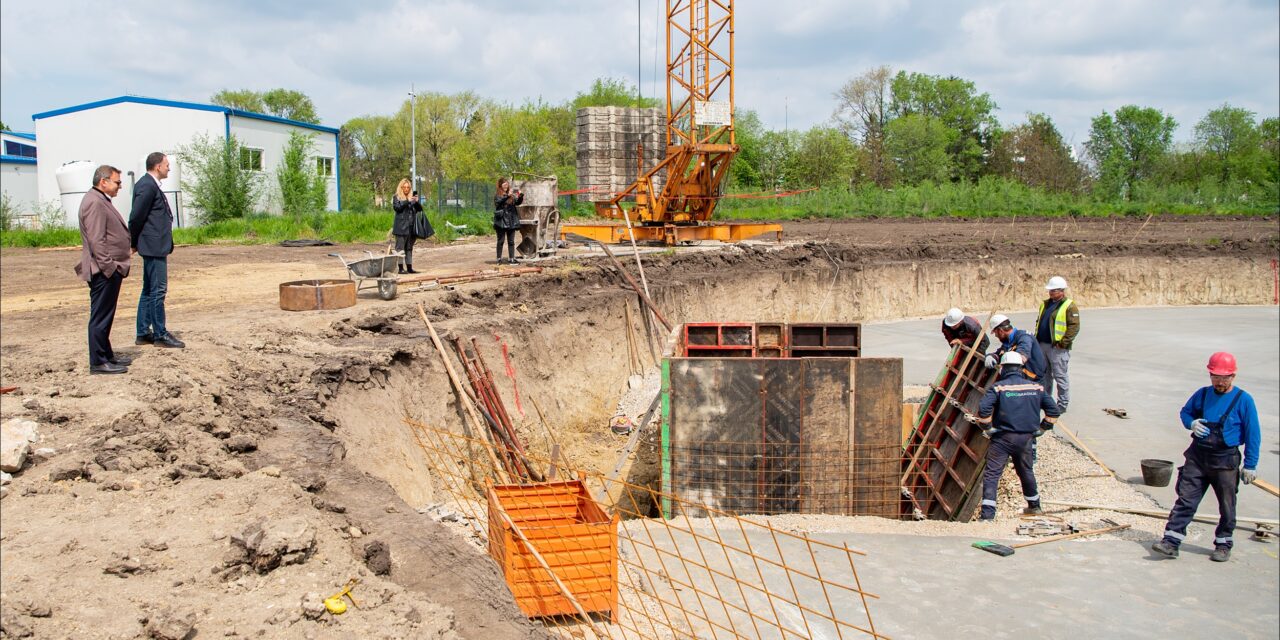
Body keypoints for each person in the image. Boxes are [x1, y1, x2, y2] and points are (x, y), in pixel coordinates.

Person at [1152, 352, 1262, 562]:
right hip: (1198, 457)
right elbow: (1185, 412)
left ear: (1233, 376)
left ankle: (1223, 543)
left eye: (1224, 377)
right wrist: (1191, 423)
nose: (1220, 382)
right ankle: (1171, 542)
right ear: (1210, 374)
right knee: (1186, 500)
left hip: (1226, 460)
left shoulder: (1243, 400)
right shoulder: (1202, 395)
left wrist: (1250, 464)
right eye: (1215, 377)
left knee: (1227, 504)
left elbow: (1253, 434)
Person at [975, 351, 1061, 520]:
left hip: (1002, 438)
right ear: (1021, 368)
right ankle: (1034, 506)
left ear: (1003, 368)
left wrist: (987, 427)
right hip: (1026, 438)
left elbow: (983, 409)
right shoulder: (1036, 387)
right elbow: (1054, 411)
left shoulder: (998, 388)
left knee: (992, 474)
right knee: (1026, 471)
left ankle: (987, 516)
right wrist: (1043, 428)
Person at [75, 165, 132, 374]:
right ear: (103, 181)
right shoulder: (94, 203)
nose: (120, 186)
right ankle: (98, 361)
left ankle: (106, 355)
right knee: (100, 316)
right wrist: (110, 268)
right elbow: (97, 240)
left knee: (105, 315)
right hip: (104, 270)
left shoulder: (99, 200)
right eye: (117, 182)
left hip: (108, 269)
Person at [129, 151, 184, 349]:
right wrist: (133, 242)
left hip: (155, 245)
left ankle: (143, 332)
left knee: (149, 289)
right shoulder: (146, 185)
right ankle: (160, 333)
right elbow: (136, 217)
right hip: (153, 247)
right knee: (158, 290)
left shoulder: (150, 185)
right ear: (157, 166)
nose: (169, 168)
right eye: (166, 164)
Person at [1034, 276, 1080, 413]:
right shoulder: (1045, 304)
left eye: (1053, 291)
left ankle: (1062, 404)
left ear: (1061, 291)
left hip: (1057, 348)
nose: (1050, 293)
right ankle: (1046, 400)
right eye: (1050, 290)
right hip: (1042, 345)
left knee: (1060, 376)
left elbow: (1074, 327)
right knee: (1045, 375)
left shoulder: (1069, 306)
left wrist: (1063, 343)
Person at [985, 314, 1047, 381]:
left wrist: (1006, 368)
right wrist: (992, 356)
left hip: (1034, 379)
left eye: (995, 332)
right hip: (1022, 377)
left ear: (1000, 331)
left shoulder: (1024, 337)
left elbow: (1022, 357)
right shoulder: (1008, 341)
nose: (996, 335)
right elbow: (1001, 353)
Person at [391, 179, 422, 274]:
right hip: (400, 227)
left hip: (411, 227)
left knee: (409, 248)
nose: (406, 189)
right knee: (400, 248)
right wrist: (407, 201)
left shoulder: (412, 197)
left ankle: (409, 267)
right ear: (401, 187)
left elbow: (419, 210)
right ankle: (400, 268)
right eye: (404, 187)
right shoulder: (396, 197)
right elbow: (397, 208)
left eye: (408, 187)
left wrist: (416, 202)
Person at [493, 177, 523, 264]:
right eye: (504, 184)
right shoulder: (497, 195)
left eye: (507, 184)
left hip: (511, 221)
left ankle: (511, 259)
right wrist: (507, 196)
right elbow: (499, 202)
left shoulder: (510, 195)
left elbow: (517, 202)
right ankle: (499, 259)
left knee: (511, 241)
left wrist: (520, 196)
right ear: (500, 185)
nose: (506, 185)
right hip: (501, 221)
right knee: (501, 241)